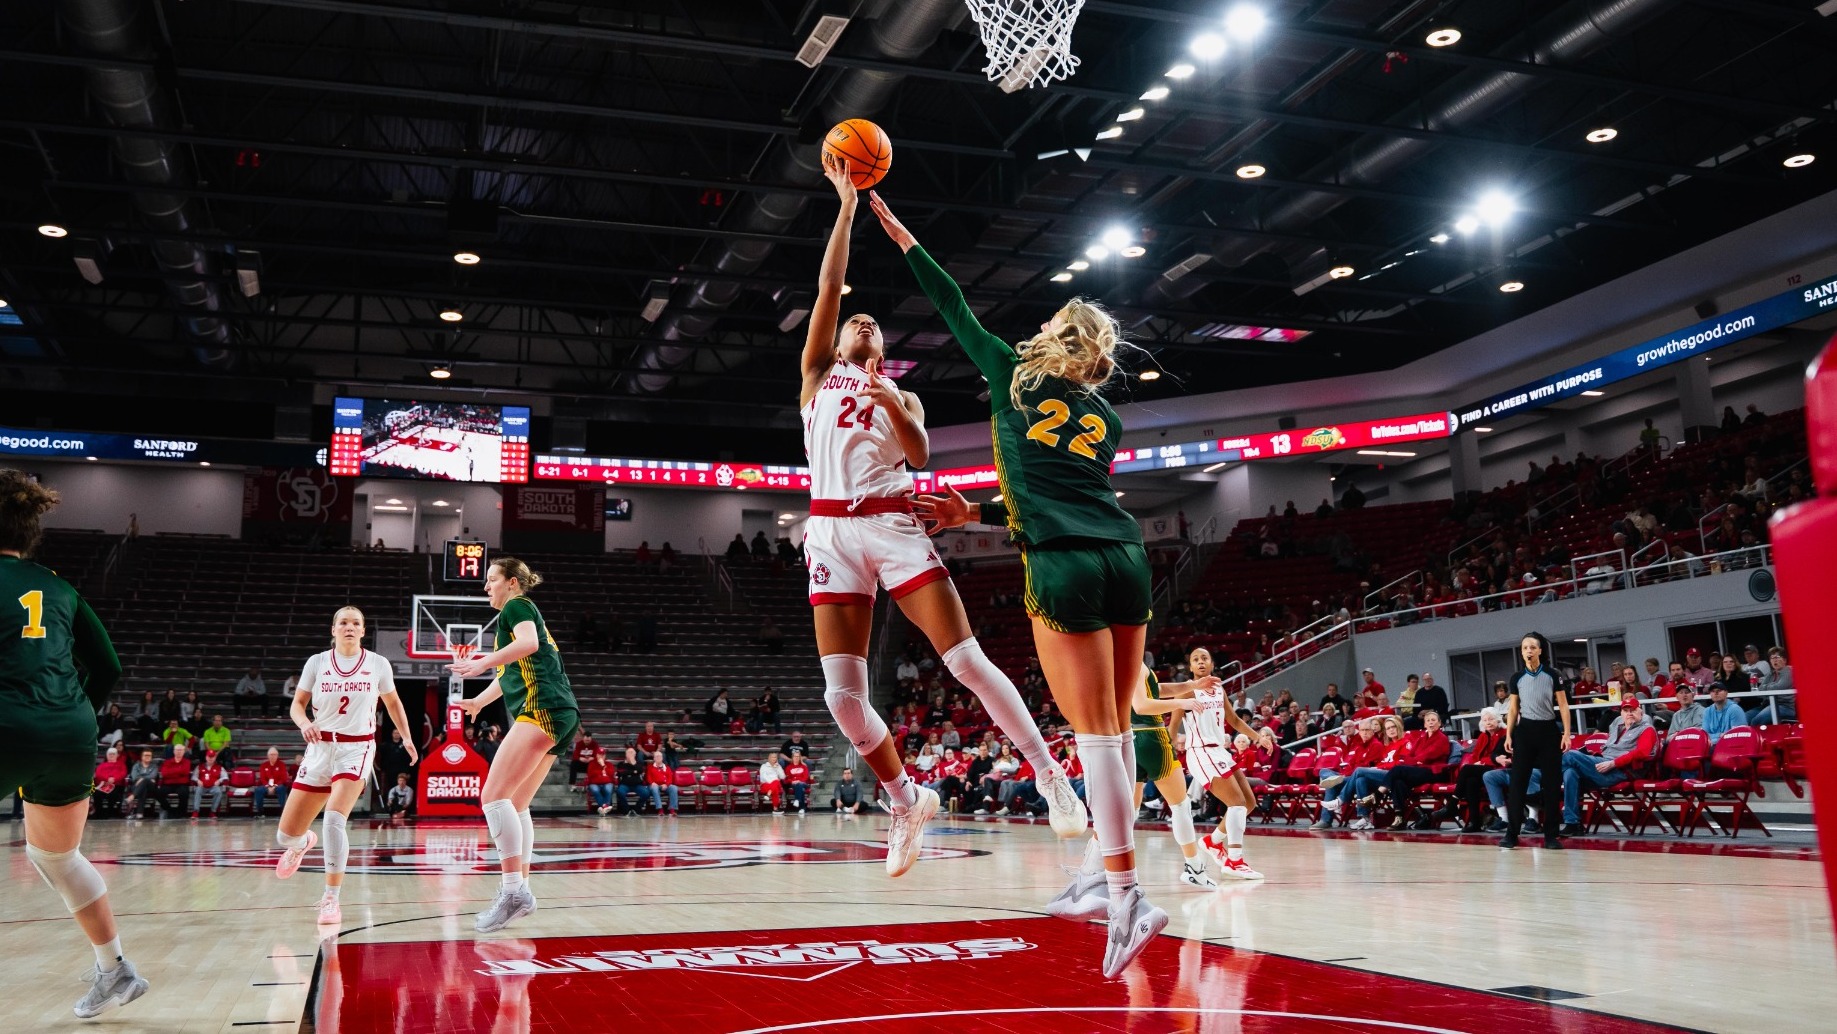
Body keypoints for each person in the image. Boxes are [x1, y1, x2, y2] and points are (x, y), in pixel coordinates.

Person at [881, 185, 1160, 977]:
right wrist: (975, 511)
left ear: (1053, 339)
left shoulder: (1009, 372)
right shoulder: (1104, 418)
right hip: (1126, 557)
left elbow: (951, 301)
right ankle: (1098, 874)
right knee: (1118, 732)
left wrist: (900, 230)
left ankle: (1126, 892)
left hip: (1064, 563)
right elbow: (1055, 489)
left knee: (1096, 735)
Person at [794, 158, 1087, 886]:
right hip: (830, 533)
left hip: (892, 525)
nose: (863, 321)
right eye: (855, 322)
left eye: (874, 325)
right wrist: (845, 208)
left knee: (963, 660)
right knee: (840, 697)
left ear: (884, 351)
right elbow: (831, 286)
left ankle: (1047, 772)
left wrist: (892, 402)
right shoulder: (815, 376)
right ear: (839, 343)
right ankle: (904, 799)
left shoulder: (903, 397)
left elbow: (920, 455)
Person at [0, 469, 148, 1017]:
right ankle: (115, 970)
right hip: (69, 729)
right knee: (54, 856)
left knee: (54, 857)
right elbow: (106, 665)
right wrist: (68, 710)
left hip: (8, 723)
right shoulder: (57, 584)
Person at [449, 557, 580, 934]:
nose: (486, 586)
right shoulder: (517, 614)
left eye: (491, 580)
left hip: (543, 708)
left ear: (511, 583)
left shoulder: (517, 606)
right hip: (561, 711)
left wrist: (481, 662)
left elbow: (528, 643)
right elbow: (510, 671)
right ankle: (519, 890)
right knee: (516, 803)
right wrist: (479, 702)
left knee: (492, 797)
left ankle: (513, 893)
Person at [273, 606, 417, 926]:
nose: (349, 627)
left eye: (356, 623)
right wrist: (303, 723)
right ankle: (301, 844)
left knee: (334, 819)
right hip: (320, 747)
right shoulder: (317, 662)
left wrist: (406, 737)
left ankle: (330, 899)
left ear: (363, 631)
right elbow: (297, 705)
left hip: (357, 748)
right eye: (343, 622)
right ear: (333, 629)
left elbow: (393, 703)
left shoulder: (378, 664)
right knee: (285, 836)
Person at [1105, 658, 1225, 891]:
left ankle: (1111, 872)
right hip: (1151, 736)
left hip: (1130, 738)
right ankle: (1194, 868)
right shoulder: (1135, 664)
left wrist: (1191, 685)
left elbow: (1155, 689)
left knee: (1130, 810)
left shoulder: (1119, 663)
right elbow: (1142, 705)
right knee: (1180, 805)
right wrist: (1184, 702)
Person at [1174, 649, 1266, 879]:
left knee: (1248, 803)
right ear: (1191, 668)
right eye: (1196, 659)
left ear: (1212, 664)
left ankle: (1212, 841)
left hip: (1220, 752)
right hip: (1201, 753)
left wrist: (1258, 737)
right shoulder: (1186, 691)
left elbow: (1233, 720)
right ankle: (1235, 860)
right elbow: (1173, 725)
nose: (1201, 662)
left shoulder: (1218, 689)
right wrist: (1171, 745)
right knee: (1235, 804)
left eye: (1205, 658)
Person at [1501, 632, 1573, 850]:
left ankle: (1551, 835)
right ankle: (1511, 834)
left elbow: (1563, 706)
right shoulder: (1516, 678)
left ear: (1540, 650)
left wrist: (1567, 734)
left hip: (1548, 731)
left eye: (1532, 647)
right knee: (1517, 784)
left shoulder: (1553, 675)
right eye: (1525, 648)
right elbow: (1513, 709)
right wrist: (1508, 734)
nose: (1528, 651)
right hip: (1525, 732)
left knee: (1551, 785)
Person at [1557, 697, 1657, 836]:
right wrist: (1596, 755)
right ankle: (1573, 824)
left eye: (1633, 710)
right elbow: (1609, 750)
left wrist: (1613, 763)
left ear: (1641, 712)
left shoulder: (1647, 729)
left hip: (1621, 771)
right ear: (1621, 713)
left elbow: (1643, 752)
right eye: (1626, 710)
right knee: (1570, 773)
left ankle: (1542, 785)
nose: (1629, 713)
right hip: (1603, 765)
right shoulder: (1617, 727)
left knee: (1570, 756)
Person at [1420, 708, 1508, 831]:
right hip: (1482, 769)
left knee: (1467, 769)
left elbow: (1500, 755)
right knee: (1471, 781)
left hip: (1498, 768)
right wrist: (1478, 763)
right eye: (1485, 720)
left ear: (1498, 719)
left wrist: (1481, 762)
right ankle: (1475, 822)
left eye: (1491, 719)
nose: (1488, 722)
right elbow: (1475, 756)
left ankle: (1452, 805)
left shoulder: (1505, 733)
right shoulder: (1483, 736)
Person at [1750, 647, 1795, 724]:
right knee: (1745, 717)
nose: (1774, 660)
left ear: (1784, 660)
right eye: (1772, 658)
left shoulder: (1789, 671)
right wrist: (1771, 686)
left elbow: (1779, 687)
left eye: (1777, 657)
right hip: (1767, 705)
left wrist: (1767, 686)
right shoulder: (1771, 674)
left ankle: (1760, 736)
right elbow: (1760, 689)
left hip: (1785, 706)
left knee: (1756, 721)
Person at [253, 747, 290, 817]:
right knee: (258, 790)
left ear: (277, 755)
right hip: (266, 786)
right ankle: (260, 812)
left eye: (274, 754)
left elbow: (283, 778)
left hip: (278, 785)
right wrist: (268, 786)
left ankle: (283, 813)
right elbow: (262, 778)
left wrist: (274, 786)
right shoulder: (263, 765)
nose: (273, 756)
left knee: (281, 788)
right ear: (268, 756)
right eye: (271, 754)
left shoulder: (281, 765)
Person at [191, 749, 229, 817]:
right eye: (209, 757)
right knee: (198, 790)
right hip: (202, 786)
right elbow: (193, 776)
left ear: (215, 757)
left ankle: (213, 811)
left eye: (212, 757)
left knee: (218, 792)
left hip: (213, 786)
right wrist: (197, 780)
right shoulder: (199, 766)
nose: (210, 758)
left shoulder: (219, 767)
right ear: (206, 757)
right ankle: (196, 811)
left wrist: (219, 780)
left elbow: (225, 777)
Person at [91, 747, 127, 817]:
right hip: (104, 785)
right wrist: (107, 779)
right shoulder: (101, 765)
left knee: (113, 793)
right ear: (107, 755)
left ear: (117, 755)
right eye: (110, 754)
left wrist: (114, 779)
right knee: (96, 793)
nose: (111, 755)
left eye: (113, 754)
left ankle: (110, 812)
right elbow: (98, 774)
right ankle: (99, 812)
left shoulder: (121, 765)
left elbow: (123, 773)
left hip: (116, 785)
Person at [124, 748, 160, 818]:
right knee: (143, 788)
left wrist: (142, 778)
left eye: (149, 755)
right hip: (137, 786)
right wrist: (147, 779)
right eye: (145, 755)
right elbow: (134, 777)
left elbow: (154, 775)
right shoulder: (136, 765)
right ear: (141, 757)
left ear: (151, 757)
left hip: (151, 788)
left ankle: (131, 797)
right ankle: (139, 813)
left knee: (145, 781)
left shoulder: (154, 766)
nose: (147, 757)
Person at [643, 751, 677, 816]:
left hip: (664, 785)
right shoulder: (650, 767)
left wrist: (666, 785)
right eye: (657, 756)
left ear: (662, 758)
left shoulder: (667, 767)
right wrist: (652, 783)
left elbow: (670, 778)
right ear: (654, 758)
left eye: (660, 756)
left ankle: (672, 809)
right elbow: (648, 778)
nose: (658, 758)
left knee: (674, 788)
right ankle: (660, 809)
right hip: (654, 785)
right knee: (655, 788)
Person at [585, 748, 616, 815]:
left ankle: (602, 809)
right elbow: (591, 774)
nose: (601, 756)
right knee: (595, 790)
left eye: (603, 754)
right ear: (596, 755)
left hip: (607, 783)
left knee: (608, 789)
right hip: (594, 783)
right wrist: (602, 769)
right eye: (599, 754)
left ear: (605, 756)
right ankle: (605, 806)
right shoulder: (592, 764)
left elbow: (611, 774)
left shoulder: (609, 764)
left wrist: (603, 766)